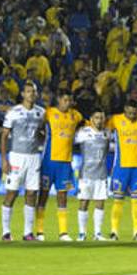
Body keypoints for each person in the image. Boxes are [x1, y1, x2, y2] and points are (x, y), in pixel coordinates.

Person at [0, 82, 45, 242]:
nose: (31, 94)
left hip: (34, 157)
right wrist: (4, 159)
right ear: (22, 94)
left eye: (33, 91)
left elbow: (41, 134)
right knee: (12, 193)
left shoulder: (41, 113)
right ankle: (5, 231)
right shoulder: (13, 112)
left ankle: (28, 232)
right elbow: (4, 136)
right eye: (28, 91)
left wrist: (41, 137)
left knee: (32, 193)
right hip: (17, 157)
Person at [106, 99, 137, 241]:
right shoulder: (115, 120)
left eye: (135, 111)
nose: (132, 114)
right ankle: (114, 231)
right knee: (118, 199)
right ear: (125, 108)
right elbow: (106, 131)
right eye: (130, 111)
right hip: (121, 166)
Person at [38, 92, 82, 242]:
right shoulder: (49, 113)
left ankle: (63, 232)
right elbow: (38, 127)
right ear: (58, 100)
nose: (67, 102)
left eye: (69, 99)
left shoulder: (75, 115)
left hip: (65, 162)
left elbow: (86, 125)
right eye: (65, 99)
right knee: (43, 195)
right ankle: (39, 231)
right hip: (48, 161)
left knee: (62, 196)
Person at [74, 110, 109, 241]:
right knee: (84, 202)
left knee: (100, 203)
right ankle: (82, 233)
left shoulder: (107, 133)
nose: (99, 120)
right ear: (91, 119)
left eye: (101, 118)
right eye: (96, 118)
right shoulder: (83, 133)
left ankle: (97, 233)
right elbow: (70, 140)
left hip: (101, 174)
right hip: (86, 174)